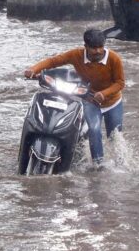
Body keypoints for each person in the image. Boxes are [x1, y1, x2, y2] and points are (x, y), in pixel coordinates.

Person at [24, 29, 125, 166]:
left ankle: (120, 164)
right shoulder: (76, 55)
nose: (98, 51)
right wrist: (34, 69)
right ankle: (98, 165)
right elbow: (54, 61)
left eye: (100, 47)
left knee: (114, 136)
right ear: (86, 47)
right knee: (94, 130)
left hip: (112, 103)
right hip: (91, 100)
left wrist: (104, 94)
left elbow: (120, 83)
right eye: (93, 48)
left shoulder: (114, 58)